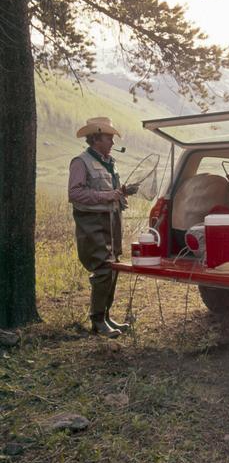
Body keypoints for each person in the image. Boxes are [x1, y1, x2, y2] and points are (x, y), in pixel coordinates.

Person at [68, 117, 137, 338]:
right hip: (92, 223)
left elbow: (111, 190)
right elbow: (75, 194)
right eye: (109, 138)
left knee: (113, 266)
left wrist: (123, 191)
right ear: (96, 138)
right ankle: (97, 321)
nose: (113, 143)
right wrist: (108, 195)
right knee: (103, 268)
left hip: (112, 220)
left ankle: (106, 317)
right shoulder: (80, 162)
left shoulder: (110, 162)